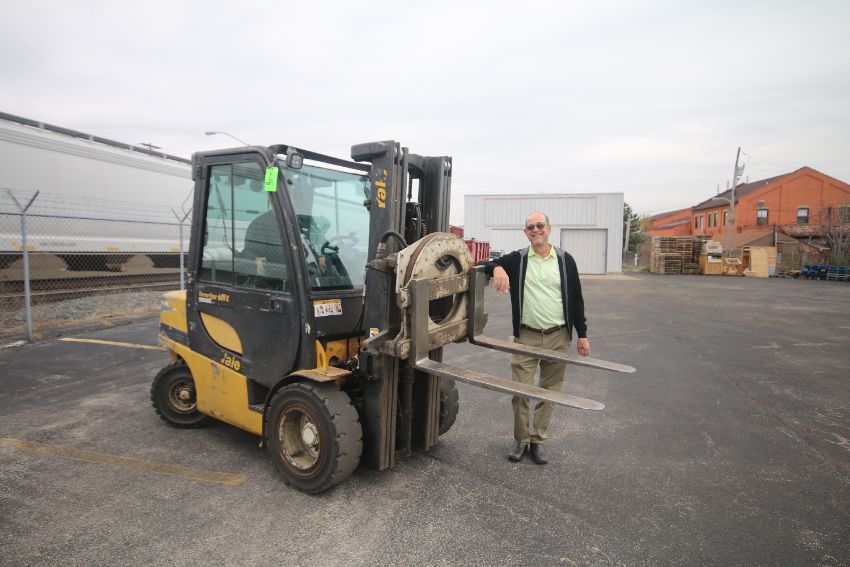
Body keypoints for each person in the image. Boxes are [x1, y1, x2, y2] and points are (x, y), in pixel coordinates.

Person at [484, 211, 591, 464]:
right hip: (526, 336)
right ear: (526, 233)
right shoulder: (518, 259)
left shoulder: (565, 260)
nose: (535, 230)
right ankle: (521, 440)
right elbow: (483, 263)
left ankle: (538, 440)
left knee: (549, 392)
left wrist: (582, 334)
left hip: (559, 336)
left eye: (540, 225)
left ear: (549, 228)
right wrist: (497, 267)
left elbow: (576, 299)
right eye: (530, 227)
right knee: (519, 391)